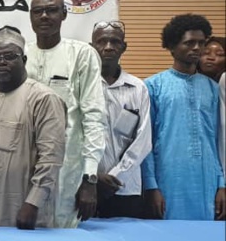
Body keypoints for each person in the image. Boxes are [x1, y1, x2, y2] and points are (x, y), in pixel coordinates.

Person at [0, 27, 66, 229]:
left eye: (10, 57)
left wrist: (33, 202)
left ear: (23, 60)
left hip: (24, 209)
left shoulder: (43, 99)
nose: (2, 62)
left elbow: (51, 157)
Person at [25, 0, 105, 228]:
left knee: (62, 230)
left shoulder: (81, 54)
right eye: (38, 11)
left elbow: (94, 116)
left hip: (67, 164)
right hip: (24, 161)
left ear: (64, 14)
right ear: (30, 17)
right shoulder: (21, 54)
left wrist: (90, 178)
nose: (44, 16)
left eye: (51, 10)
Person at [142, 14, 225, 221]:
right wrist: (151, 186)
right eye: (189, 43)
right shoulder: (153, 86)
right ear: (171, 46)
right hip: (168, 180)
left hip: (207, 183)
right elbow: (145, 142)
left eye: (201, 43)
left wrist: (221, 184)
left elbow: (218, 141)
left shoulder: (213, 89)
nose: (197, 48)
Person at [89, 21, 151, 219]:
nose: (108, 47)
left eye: (115, 42)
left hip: (125, 188)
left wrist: (117, 175)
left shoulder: (137, 88)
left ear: (124, 47)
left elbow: (143, 139)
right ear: (92, 47)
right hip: (87, 186)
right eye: (102, 41)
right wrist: (92, 176)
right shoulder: (82, 84)